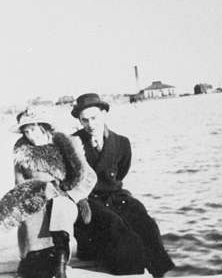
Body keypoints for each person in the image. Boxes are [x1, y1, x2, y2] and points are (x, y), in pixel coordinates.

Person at [71, 93, 175, 278]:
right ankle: (130, 271)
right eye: (84, 120)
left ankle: (160, 272)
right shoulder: (73, 143)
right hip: (87, 200)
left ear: (104, 114)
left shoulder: (121, 143)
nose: (90, 125)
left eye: (94, 118)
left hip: (115, 195)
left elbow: (120, 173)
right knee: (116, 226)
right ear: (79, 121)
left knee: (145, 221)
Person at [0, 108, 96, 278]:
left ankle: (60, 263)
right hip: (37, 198)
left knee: (61, 209)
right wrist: (33, 197)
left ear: (42, 127)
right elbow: (19, 184)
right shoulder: (22, 153)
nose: (30, 135)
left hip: (66, 197)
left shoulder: (66, 145)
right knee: (32, 226)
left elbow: (88, 176)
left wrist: (73, 196)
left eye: (32, 129)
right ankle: (35, 258)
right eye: (26, 132)